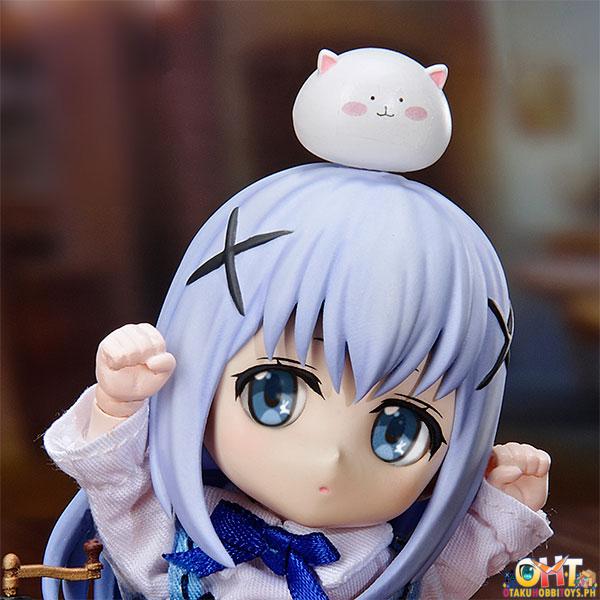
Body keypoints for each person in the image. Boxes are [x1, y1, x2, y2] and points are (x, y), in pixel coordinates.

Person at [43, 163, 552, 600]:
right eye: (274, 395)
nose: (331, 456)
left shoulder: (384, 560)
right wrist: (117, 407)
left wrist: (498, 512)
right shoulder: (187, 537)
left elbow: (442, 579)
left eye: (398, 431)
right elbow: (122, 496)